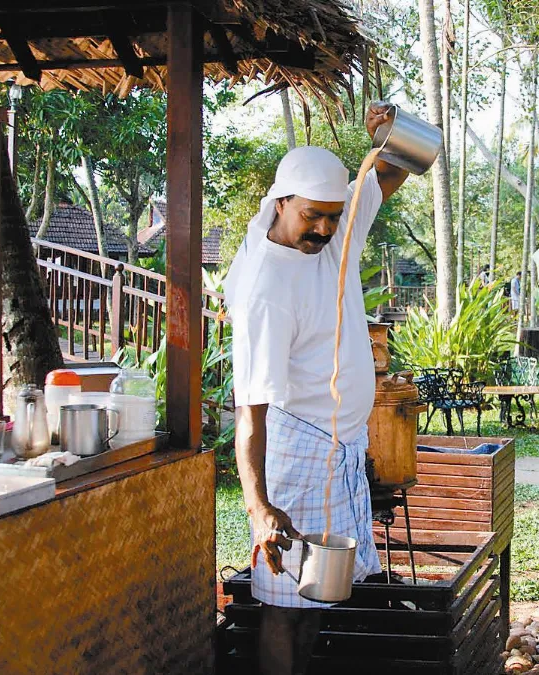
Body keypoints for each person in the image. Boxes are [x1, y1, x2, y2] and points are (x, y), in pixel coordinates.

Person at [224, 103, 409, 675]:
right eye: (313, 216)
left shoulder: (333, 235)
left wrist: (391, 133)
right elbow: (251, 414)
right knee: (285, 608)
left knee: (318, 599)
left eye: (333, 215)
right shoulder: (265, 287)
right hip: (295, 452)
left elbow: (391, 175)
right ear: (281, 202)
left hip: (341, 447)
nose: (327, 229)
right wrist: (259, 506)